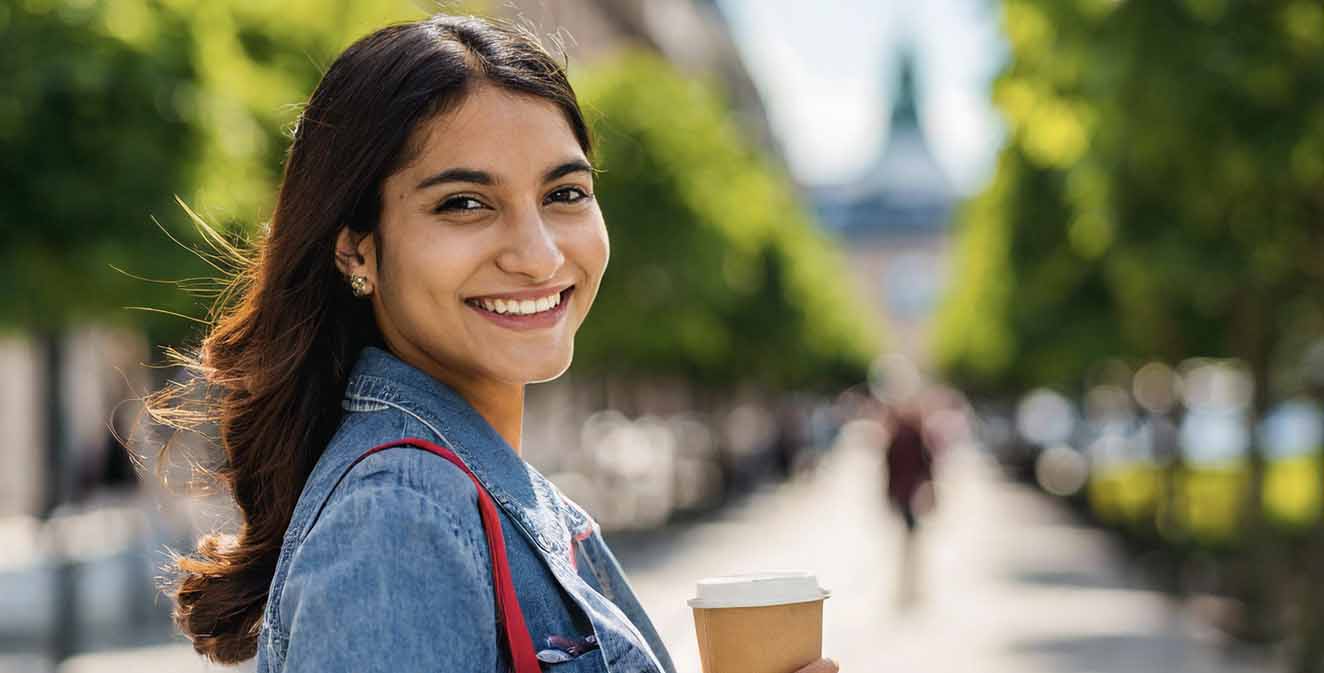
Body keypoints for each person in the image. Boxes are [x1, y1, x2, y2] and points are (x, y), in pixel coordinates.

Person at [142, 13, 840, 673]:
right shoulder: (403, 518)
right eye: (465, 203)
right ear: (357, 249)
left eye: (565, 193)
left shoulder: (488, 491)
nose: (538, 257)